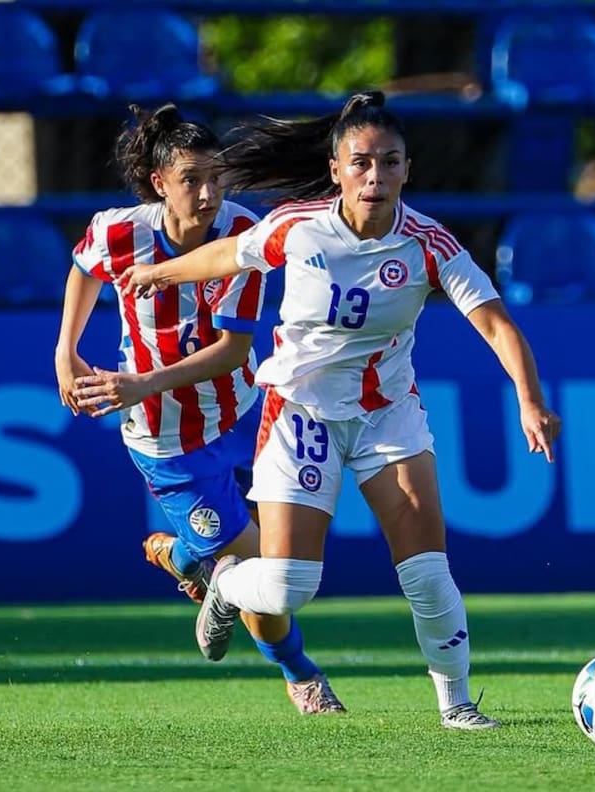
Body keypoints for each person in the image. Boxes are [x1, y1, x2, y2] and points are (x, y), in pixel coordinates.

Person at [115, 91, 561, 730]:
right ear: (336, 170)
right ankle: (226, 584)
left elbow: (496, 325)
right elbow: (230, 254)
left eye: (390, 162)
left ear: (408, 169)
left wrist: (529, 400)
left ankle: (457, 705)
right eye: (361, 163)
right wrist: (163, 275)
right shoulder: (300, 227)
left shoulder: (429, 243)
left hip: (388, 415)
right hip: (302, 416)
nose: (375, 176)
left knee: (428, 572)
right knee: (288, 589)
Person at [55, 103, 344, 715]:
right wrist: (65, 349)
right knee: (267, 569)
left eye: (217, 177)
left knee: (257, 558)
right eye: (192, 179)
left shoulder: (243, 236)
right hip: (167, 443)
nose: (209, 192)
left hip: (244, 417)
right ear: (160, 183)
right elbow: (84, 269)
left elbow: (230, 351)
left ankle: (182, 555)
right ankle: (304, 676)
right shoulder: (118, 231)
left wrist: (142, 382)